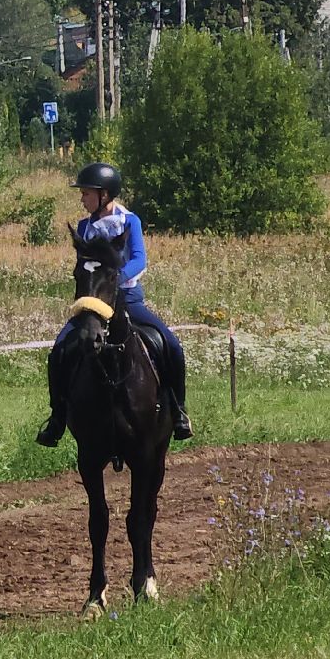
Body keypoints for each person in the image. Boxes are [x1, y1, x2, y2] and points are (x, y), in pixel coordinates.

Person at [38, 162, 193, 446]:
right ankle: (58, 417)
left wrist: (115, 279)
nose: (82, 199)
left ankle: (179, 410)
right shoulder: (84, 227)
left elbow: (139, 259)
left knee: (171, 345)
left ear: (105, 195)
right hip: (91, 304)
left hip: (127, 299)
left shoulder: (129, 220)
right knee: (59, 349)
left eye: (86, 194)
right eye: (82, 194)